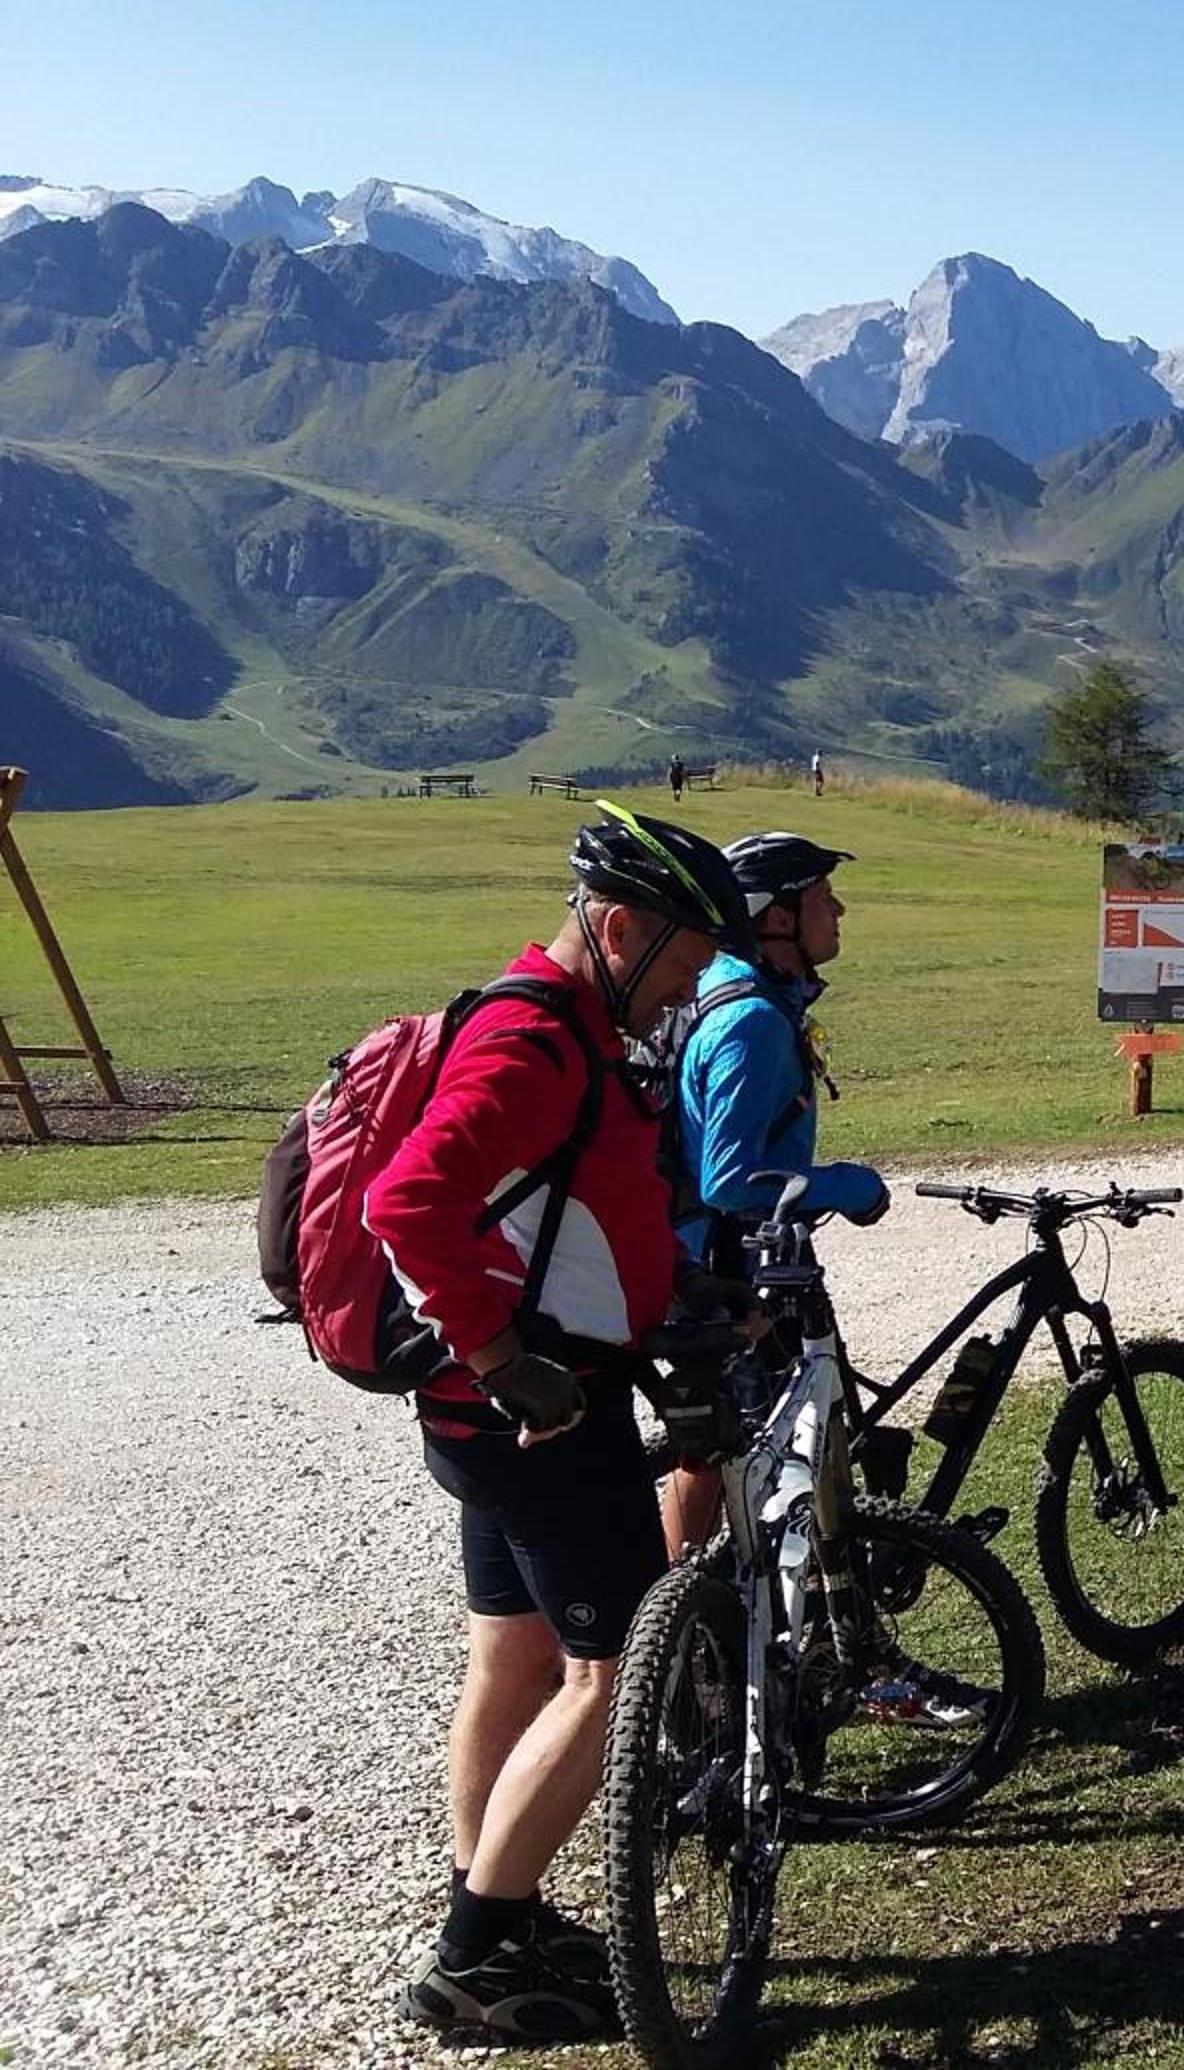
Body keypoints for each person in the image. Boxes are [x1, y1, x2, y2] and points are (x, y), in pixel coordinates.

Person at [366, 805, 755, 2042]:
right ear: (620, 928)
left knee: (515, 1658)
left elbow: (573, 1206)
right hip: (541, 1415)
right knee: (612, 1674)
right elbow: (408, 1203)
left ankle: (499, 1906)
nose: (687, 992)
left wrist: (677, 1286)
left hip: (502, 1414)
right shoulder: (534, 1045)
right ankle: (479, 1952)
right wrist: (504, 1360)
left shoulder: (569, 1030)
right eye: (683, 963)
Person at [661, 831, 891, 1548]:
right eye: (823, 898)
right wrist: (849, 1186)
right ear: (777, 917)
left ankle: (718, 1594)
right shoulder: (752, 1021)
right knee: (733, 1448)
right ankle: (691, 1602)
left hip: (739, 1253)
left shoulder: (744, 990)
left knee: (739, 1444)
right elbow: (729, 1180)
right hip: (732, 1265)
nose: (839, 910)